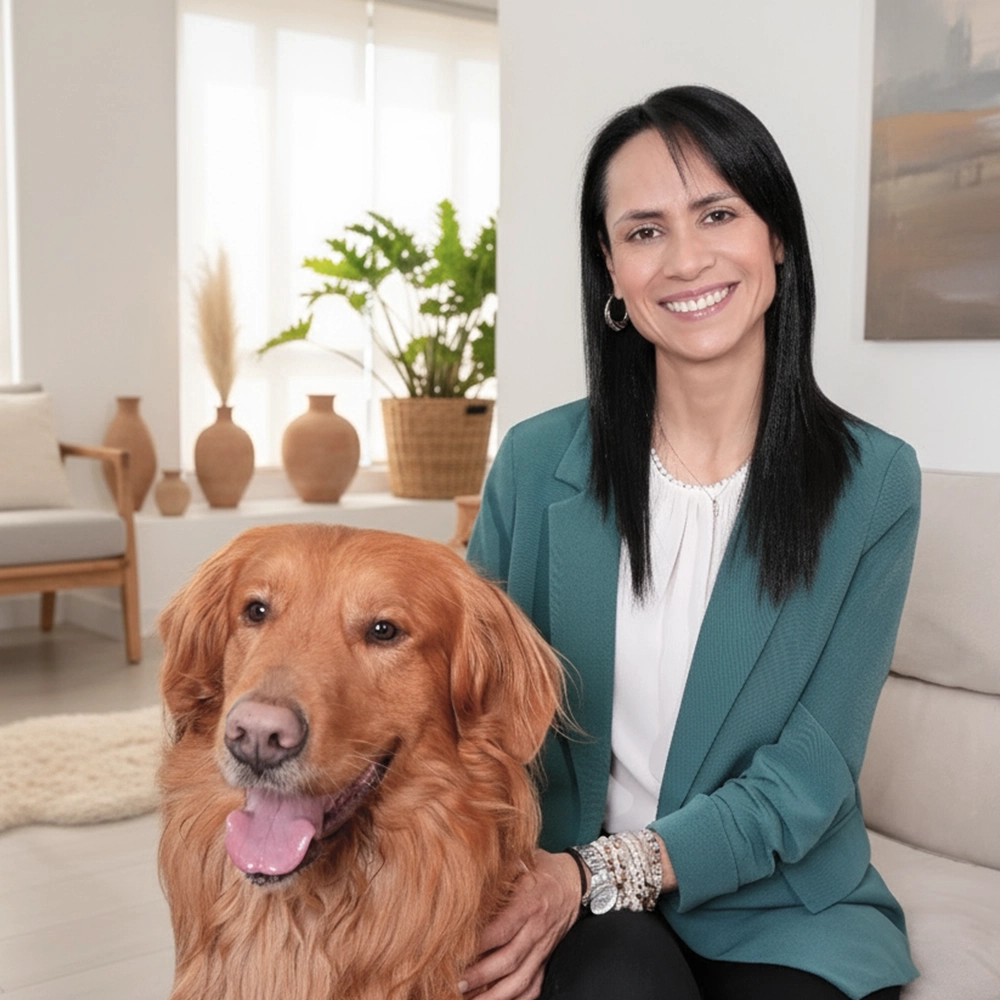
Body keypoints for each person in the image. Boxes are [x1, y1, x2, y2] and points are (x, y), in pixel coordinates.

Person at [462, 85, 920, 1000]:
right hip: (568, 887)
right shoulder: (534, 460)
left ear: (775, 237)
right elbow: (462, 705)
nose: (686, 258)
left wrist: (606, 869)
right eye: (644, 231)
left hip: (783, 904)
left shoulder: (876, 483)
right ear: (612, 270)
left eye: (718, 213)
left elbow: (810, 774)